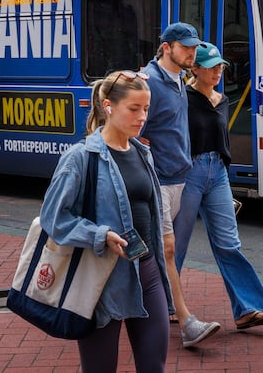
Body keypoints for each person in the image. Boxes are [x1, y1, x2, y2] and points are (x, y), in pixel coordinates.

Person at [39, 70, 173, 372]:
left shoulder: (142, 152)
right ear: (109, 107)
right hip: (101, 279)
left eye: (146, 109)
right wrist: (99, 235)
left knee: (155, 365)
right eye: (134, 109)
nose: (142, 117)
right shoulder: (80, 157)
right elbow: (53, 218)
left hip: (147, 271)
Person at [174, 42, 263, 331]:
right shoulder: (183, 97)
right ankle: (167, 305)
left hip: (217, 173)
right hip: (190, 172)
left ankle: (248, 308)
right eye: (212, 66)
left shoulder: (223, 100)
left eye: (221, 66)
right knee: (176, 245)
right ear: (195, 69)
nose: (219, 71)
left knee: (229, 243)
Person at [140, 22, 221, 348]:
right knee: (167, 249)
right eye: (185, 47)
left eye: (193, 47)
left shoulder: (178, 81)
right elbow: (129, 128)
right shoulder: (149, 83)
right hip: (157, 180)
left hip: (179, 179)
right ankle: (185, 320)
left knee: (145, 251)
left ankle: (126, 306)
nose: (192, 53)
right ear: (166, 47)